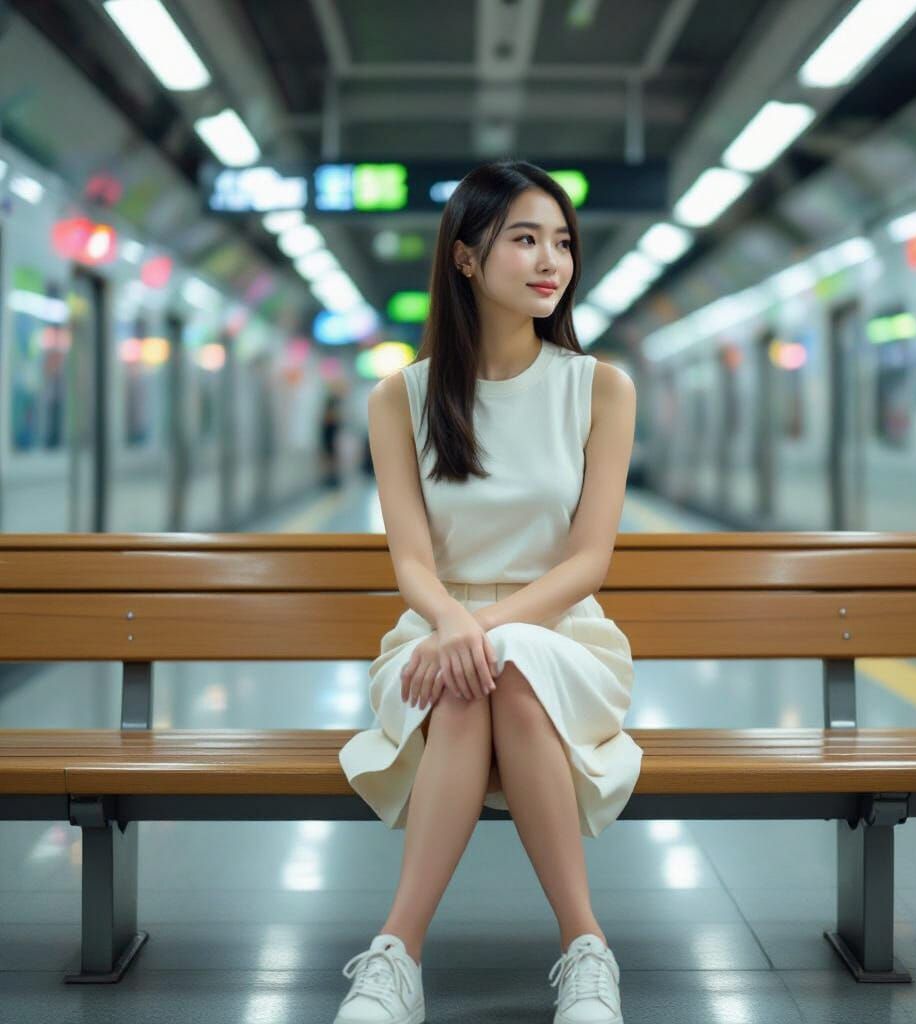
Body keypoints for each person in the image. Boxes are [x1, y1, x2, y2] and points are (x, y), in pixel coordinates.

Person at [335, 159, 641, 1024]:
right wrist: (451, 624)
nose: (552, 261)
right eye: (525, 239)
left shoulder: (600, 388)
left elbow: (588, 561)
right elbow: (411, 562)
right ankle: (419, 956)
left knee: (493, 662)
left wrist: (482, 627)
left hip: (568, 638)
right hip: (432, 632)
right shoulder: (403, 397)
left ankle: (539, 954)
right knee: (478, 675)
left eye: (562, 242)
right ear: (466, 259)